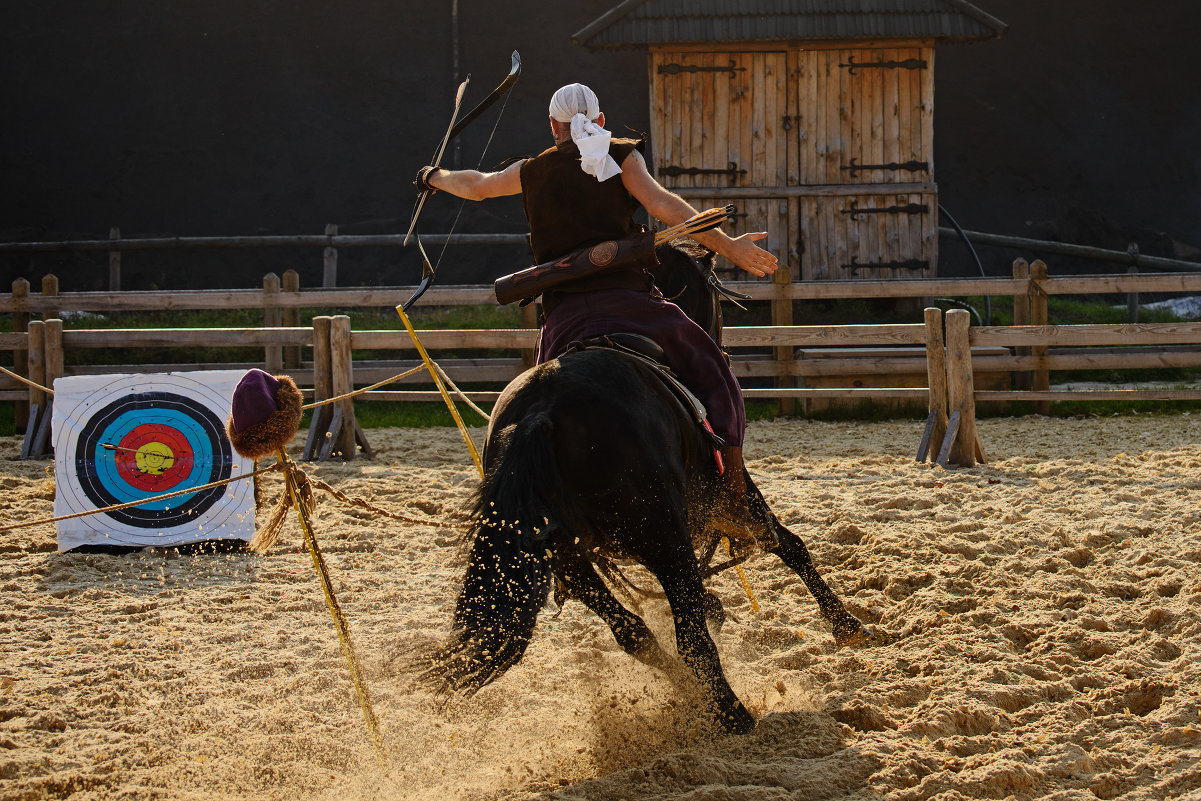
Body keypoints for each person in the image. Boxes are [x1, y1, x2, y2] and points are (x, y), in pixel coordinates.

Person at [415, 82, 779, 540]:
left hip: (563, 316)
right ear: (600, 120)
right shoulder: (620, 155)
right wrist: (727, 246)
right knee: (712, 365)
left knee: (540, 394)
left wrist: (434, 176)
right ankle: (731, 493)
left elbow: (477, 186)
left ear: (552, 126)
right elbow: (664, 206)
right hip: (632, 303)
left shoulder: (531, 170)